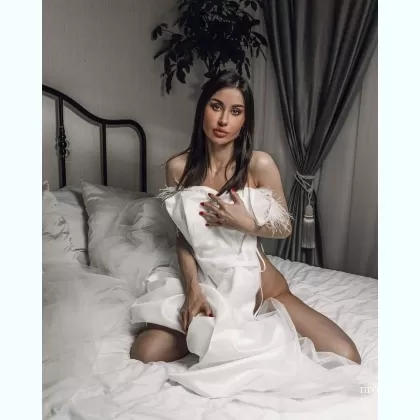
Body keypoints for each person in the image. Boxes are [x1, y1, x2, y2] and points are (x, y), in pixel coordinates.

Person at [129, 70, 363, 398]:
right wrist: (193, 290)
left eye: (235, 111)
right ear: (202, 109)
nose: (223, 120)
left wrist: (246, 224)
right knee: (145, 352)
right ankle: (210, 329)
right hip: (207, 283)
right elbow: (183, 238)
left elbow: (284, 227)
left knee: (346, 355)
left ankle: (240, 327)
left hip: (260, 286)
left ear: (245, 120)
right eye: (216, 106)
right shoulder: (178, 167)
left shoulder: (258, 164)